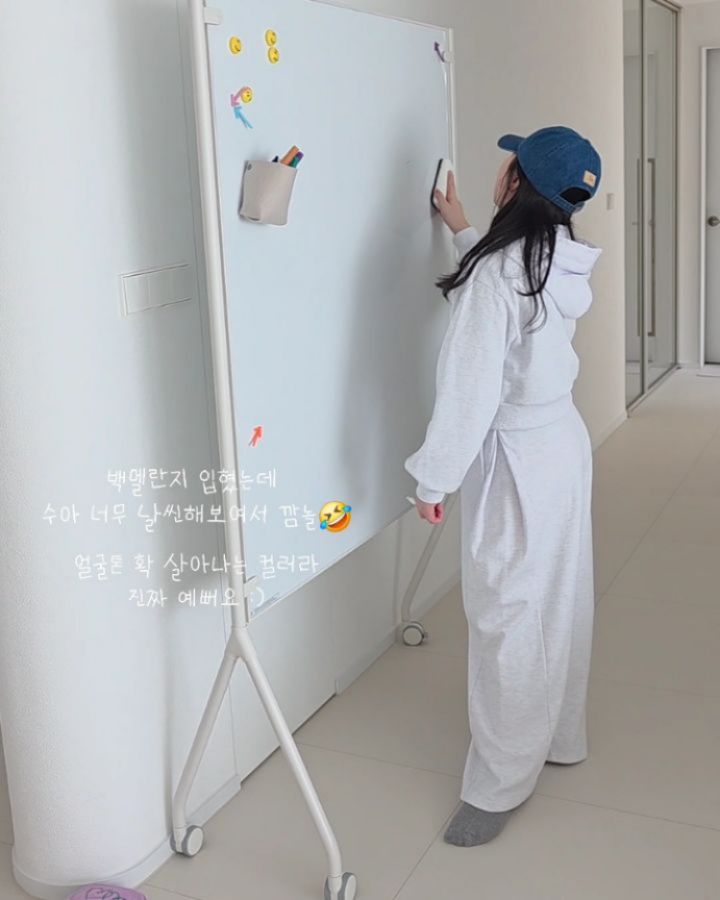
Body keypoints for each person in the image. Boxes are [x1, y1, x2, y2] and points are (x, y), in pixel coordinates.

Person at [405, 126, 603, 847]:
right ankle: (560, 736)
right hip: (561, 444)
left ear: (516, 182)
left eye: (508, 163)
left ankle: (498, 785)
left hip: (517, 454)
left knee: (507, 616)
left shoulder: (500, 273)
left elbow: (470, 391)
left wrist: (434, 479)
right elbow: (514, 295)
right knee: (559, 595)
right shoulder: (558, 257)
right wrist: (462, 229)